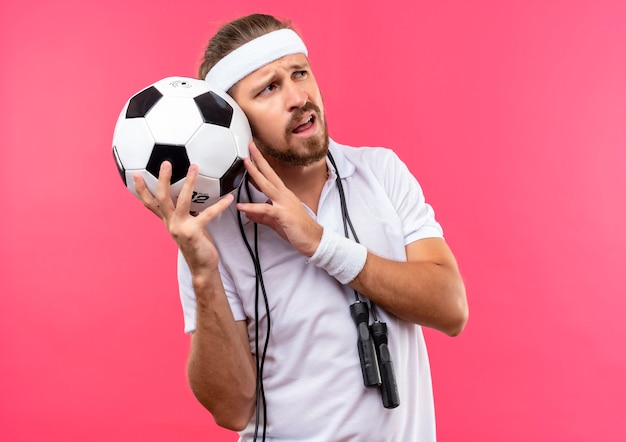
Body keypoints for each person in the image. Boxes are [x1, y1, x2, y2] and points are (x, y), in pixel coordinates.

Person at [133, 13, 468, 441]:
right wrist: (202, 272)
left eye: (300, 73)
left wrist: (322, 244)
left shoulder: (381, 172)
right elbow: (231, 409)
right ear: (237, 122)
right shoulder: (214, 229)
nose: (298, 96)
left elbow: (451, 309)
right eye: (270, 88)